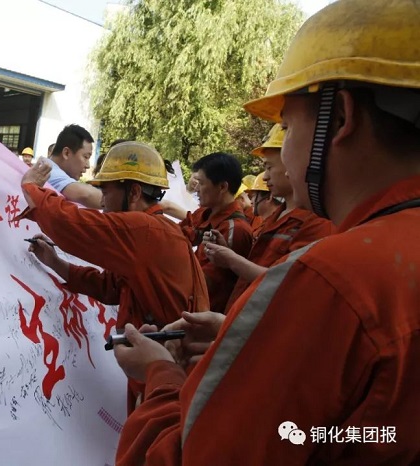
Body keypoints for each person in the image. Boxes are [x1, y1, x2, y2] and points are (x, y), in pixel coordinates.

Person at [112, 1, 420, 464]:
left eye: (288, 126)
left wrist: (159, 373)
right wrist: (255, 346)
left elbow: (194, 457)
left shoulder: (332, 280)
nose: (282, 162)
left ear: (340, 119)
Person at [19, 141, 209, 414]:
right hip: (165, 367)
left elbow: (70, 224)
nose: (102, 203)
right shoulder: (156, 231)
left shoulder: (144, 229)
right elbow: (112, 287)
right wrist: (56, 262)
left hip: (167, 373)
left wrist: (31, 187)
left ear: (134, 192)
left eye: (106, 192)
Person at [205, 123, 334, 312]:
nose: (264, 177)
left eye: (269, 167)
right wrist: (228, 255)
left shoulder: (316, 222)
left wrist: (232, 260)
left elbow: (290, 286)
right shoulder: (277, 217)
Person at [179, 152, 253, 314]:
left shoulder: (235, 230)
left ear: (222, 187)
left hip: (207, 316)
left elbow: (208, 283)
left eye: (201, 183)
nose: (196, 189)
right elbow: (179, 235)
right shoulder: (203, 213)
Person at [46, 124, 103, 208]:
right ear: (66, 153)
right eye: (86, 157)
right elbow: (86, 195)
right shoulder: (48, 172)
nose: (88, 165)